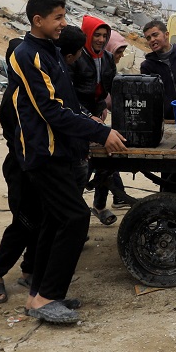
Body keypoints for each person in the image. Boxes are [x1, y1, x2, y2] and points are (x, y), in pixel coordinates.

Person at [7, 0, 127, 324]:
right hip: (43, 153)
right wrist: (100, 133)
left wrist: (90, 124)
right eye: (58, 17)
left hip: (62, 149)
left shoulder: (52, 51)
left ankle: (40, 296)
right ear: (38, 20)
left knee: (55, 221)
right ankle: (46, 297)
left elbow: (68, 103)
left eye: (64, 16)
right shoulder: (27, 54)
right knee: (75, 218)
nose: (64, 23)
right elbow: (50, 111)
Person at [0, 26, 87, 305]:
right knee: (25, 223)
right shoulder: (13, 100)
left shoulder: (42, 88)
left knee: (48, 221)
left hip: (40, 161)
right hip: (23, 166)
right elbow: (22, 137)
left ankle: (32, 276)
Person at [72, 14, 131, 224]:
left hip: (96, 116)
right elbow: (69, 94)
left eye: (104, 35)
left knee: (108, 158)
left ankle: (99, 205)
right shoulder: (75, 57)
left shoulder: (106, 58)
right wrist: (87, 116)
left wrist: (100, 111)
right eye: (96, 34)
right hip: (76, 118)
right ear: (88, 34)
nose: (100, 39)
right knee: (80, 166)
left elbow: (107, 89)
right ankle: (74, 217)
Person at [141, 19, 176, 119]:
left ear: (166, 34)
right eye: (148, 38)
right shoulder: (147, 66)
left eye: (155, 35)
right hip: (165, 120)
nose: (152, 40)